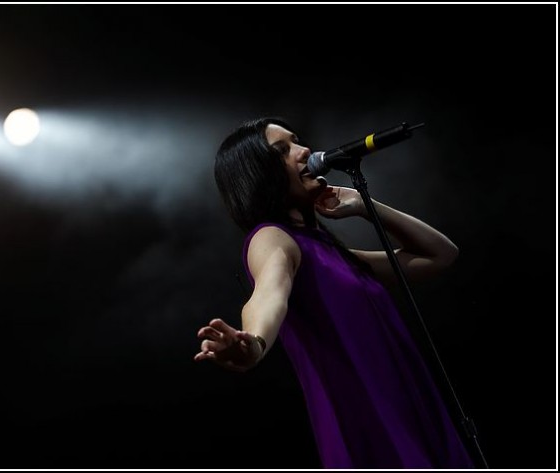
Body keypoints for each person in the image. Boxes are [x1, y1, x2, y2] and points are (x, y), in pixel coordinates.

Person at [194, 117, 476, 469]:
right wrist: (253, 341)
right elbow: (269, 293)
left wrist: (363, 204)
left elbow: (441, 254)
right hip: (369, 417)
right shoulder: (271, 238)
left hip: (409, 404)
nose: (305, 151)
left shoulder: (330, 253)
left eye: (297, 141)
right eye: (283, 151)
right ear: (257, 173)